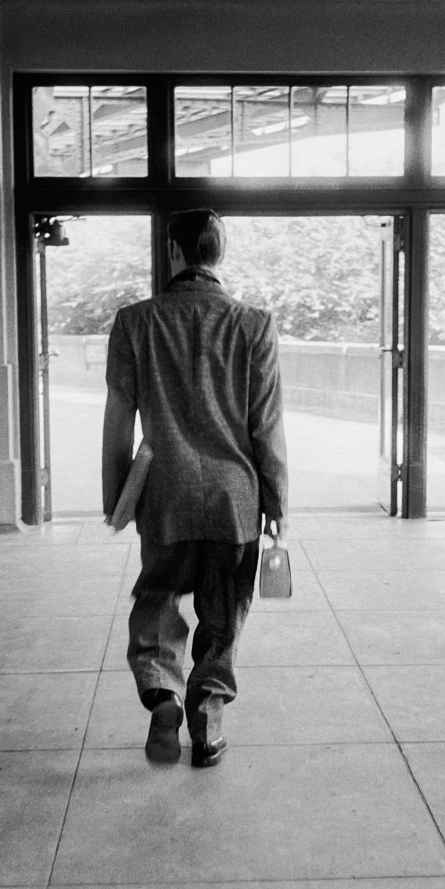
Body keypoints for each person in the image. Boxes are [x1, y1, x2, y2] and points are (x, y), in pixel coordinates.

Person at [102, 208, 288, 768]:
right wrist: (277, 503)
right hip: (236, 497)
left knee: (157, 596)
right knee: (224, 611)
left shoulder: (135, 321)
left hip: (166, 495)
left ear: (175, 252)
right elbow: (267, 427)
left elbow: (118, 417)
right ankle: (206, 722)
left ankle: (161, 695)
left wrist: (117, 499)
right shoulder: (255, 324)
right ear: (218, 255)